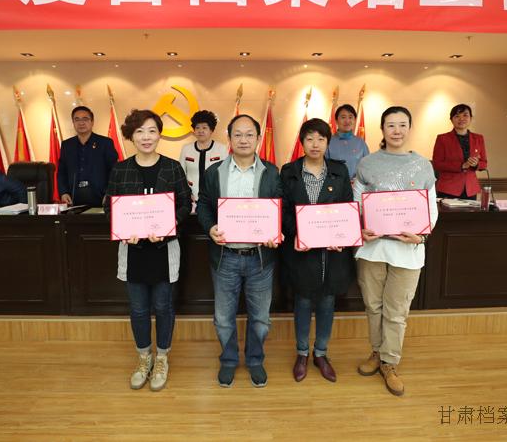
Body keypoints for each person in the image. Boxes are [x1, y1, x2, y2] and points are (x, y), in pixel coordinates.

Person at [103, 109, 192, 392]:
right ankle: (144, 358)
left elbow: (185, 204)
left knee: (164, 307)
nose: (146, 137)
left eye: (152, 130)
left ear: (159, 135)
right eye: (140, 131)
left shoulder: (172, 168)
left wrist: (168, 225)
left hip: (163, 251)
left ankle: (162, 358)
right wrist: (122, 229)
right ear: (131, 136)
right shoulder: (120, 169)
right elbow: (109, 206)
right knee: (139, 309)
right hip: (133, 252)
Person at [353, 106, 438, 397]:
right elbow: (357, 203)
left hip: (407, 249)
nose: (397, 130)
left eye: (402, 125)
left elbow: (431, 208)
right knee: (373, 306)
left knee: (397, 310)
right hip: (373, 249)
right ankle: (376, 352)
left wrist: (421, 233)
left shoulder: (423, 165)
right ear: (383, 129)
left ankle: (390, 362)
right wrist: (360, 226)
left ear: (409, 128)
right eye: (391, 125)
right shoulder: (367, 163)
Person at [196, 114, 282, 388]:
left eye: (249, 134)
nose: (243, 140)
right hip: (226, 257)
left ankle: (255, 360)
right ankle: (229, 360)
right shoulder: (214, 172)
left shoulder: (272, 172)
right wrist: (210, 227)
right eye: (238, 134)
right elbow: (204, 205)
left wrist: (277, 231)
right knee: (223, 318)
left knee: (260, 319)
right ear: (229, 138)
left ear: (258, 138)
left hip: (260, 258)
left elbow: (280, 207)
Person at [280, 118, 354, 383]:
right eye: (310, 138)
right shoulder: (289, 171)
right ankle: (302, 352)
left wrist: (341, 234)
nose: (315, 144)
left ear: (327, 142)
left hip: (331, 252)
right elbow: (283, 210)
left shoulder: (339, 171)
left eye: (321, 139)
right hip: (302, 249)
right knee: (302, 301)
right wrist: (299, 232)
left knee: (326, 301)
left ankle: (321, 353)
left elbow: (347, 207)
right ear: (302, 142)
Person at [57, 105, 119, 207]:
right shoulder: (67, 145)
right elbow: (62, 172)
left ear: (92, 122)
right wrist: (63, 192)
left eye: (85, 119)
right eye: (77, 119)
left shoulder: (105, 143)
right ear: (73, 122)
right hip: (73, 199)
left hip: (101, 198)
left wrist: (109, 194)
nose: (81, 123)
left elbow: (114, 171)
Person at [431, 104, 488, 200]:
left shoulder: (478, 138)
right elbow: (437, 164)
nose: (461, 119)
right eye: (457, 116)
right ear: (451, 120)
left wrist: (476, 164)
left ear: (471, 118)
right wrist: (461, 166)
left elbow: (484, 163)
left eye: (465, 115)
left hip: (470, 189)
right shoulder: (442, 138)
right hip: (448, 188)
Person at [178, 110, 228, 207]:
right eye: (197, 127)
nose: (200, 131)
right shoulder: (186, 149)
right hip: (191, 199)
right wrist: (187, 193)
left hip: (214, 199)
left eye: (204, 127)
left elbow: (225, 175)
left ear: (211, 130)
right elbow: (181, 175)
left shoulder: (221, 149)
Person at [325, 104, 369, 179]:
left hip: (356, 185)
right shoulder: (328, 142)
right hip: (334, 184)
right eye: (343, 117)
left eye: (350, 117)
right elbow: (323, 167)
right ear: (336, 121)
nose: (347, 121)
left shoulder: (360, 143)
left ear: (354, 120)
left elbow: (367, 167)